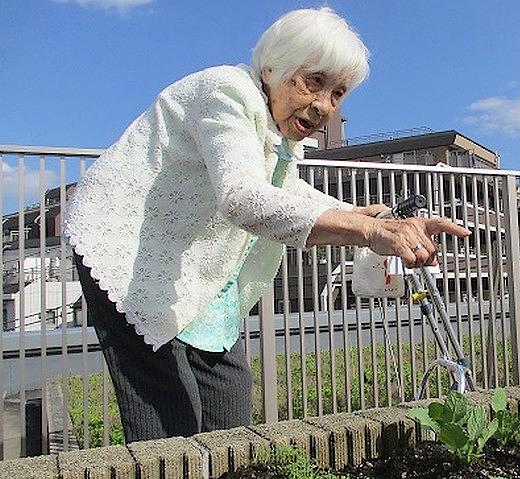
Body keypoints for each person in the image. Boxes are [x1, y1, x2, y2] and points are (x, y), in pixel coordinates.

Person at [62, 7, 469, 443]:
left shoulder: (276, 130)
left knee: (230, 411)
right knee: (170, 419)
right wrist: (367, 231)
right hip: (126, 254)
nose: (323, 106)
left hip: (198, 270)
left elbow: (288, 194)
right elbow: (243, 198)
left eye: (338, 93)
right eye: (314, 81)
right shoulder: (226, 92)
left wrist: (376, 217)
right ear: (274, 66)